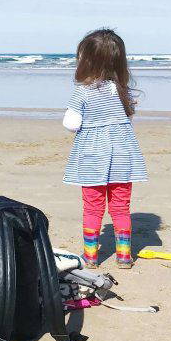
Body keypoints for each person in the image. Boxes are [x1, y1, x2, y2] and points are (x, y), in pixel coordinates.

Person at [62, 28, 148, 269]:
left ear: (86, 61)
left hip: (92, 159)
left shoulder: (83, 92)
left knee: (92, 207)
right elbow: (127, 120)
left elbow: (71, 123)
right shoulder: (122, 91)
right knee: (121, 208)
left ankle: (90, 257)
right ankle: (123, 256)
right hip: (122, 157)